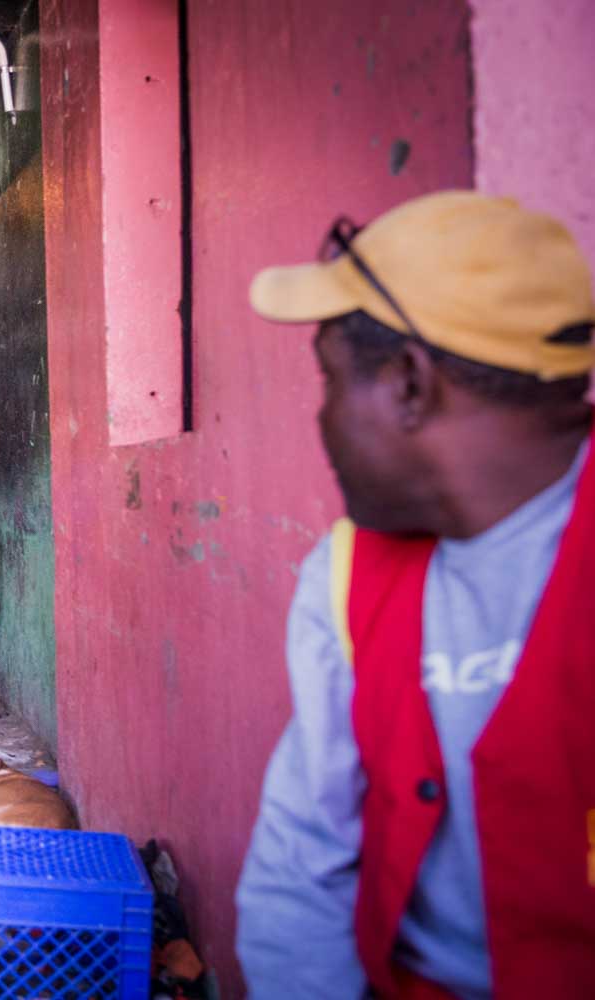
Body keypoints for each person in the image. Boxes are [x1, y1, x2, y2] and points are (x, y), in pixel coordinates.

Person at [235, 191, 595, 997]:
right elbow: (302, 862)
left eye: (329, 382)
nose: (323, 419)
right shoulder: (348, 573)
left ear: (407, 385)